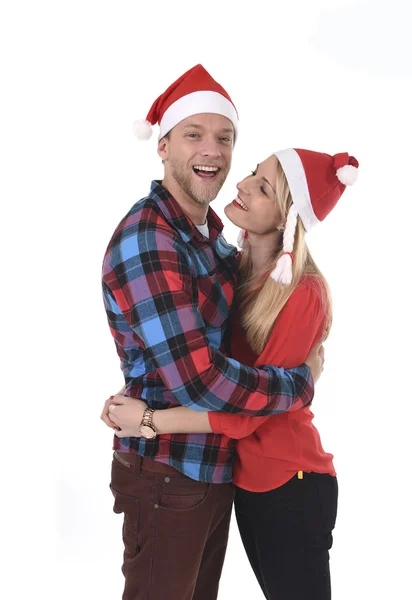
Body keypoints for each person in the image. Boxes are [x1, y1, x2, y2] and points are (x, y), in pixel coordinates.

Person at [100, 64, 324, 600]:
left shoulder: (210, 240)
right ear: (164, 145)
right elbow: (199, 381)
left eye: (225, 138)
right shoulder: (150, 240)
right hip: (168, 475)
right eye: (193, 134)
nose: (214, 152)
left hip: (211, 475)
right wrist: (297, 383)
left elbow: (255, 301)